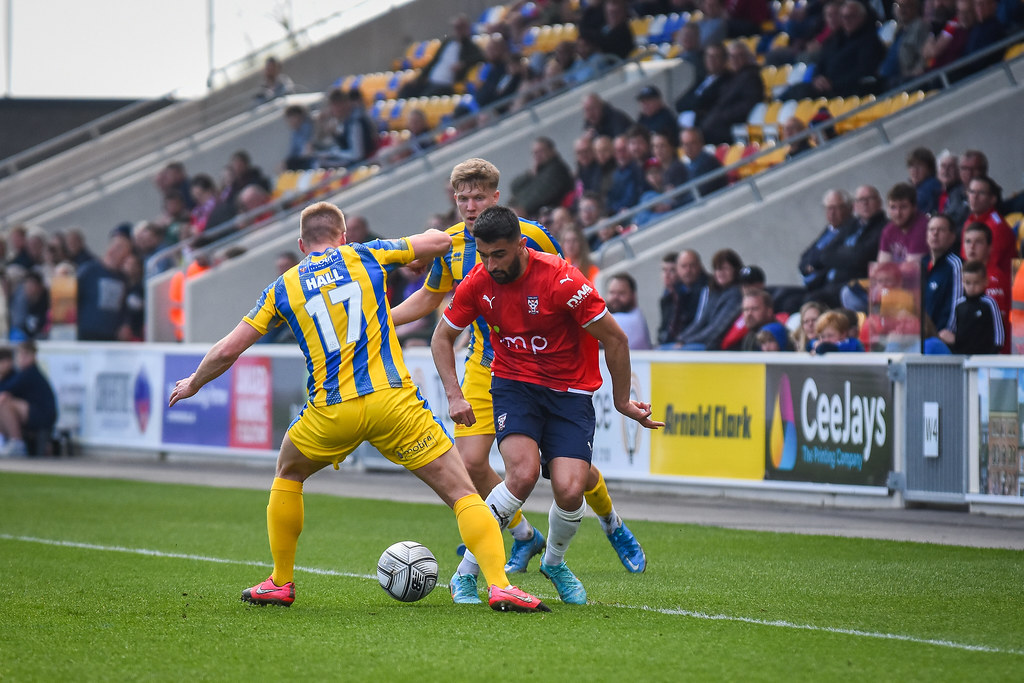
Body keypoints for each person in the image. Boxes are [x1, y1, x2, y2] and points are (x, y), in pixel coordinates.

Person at [167, 201, 549, 613]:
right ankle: (500, 586)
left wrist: (193, 382)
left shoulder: (284, 286)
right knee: (461, 492)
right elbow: (439, 240)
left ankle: (280, 581)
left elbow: (228, 349)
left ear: (301, 244)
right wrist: (430, 248)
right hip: (394, 402)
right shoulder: (365, 254)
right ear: (343, 236)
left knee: (289, 472)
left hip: (332, 411)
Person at [390, 158, 646, 589]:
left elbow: (560, 288)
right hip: (486, 365)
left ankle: (610, 520)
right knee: (475, 465)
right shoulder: (447, 244)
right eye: (462, 198)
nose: (470, 206)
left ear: (495, 197)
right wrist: (377, 321)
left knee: (573, 476)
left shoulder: (530, 236)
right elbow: (429, 300)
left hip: (550, 371)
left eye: (478, 197)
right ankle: (523, 535)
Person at [431, 205, 663, 605]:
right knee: (520, 473)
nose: (490, 265)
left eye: (498, 255)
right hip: (513, 384)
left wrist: (622, 401)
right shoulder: (479, 281)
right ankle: (465, 574)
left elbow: (616, 339)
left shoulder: (561, 280)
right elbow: (441, 337)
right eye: (483, 255)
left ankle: (554, 562)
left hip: (570, 392)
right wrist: (454, 393)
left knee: (570, 489)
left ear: (521, 245)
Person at [399, 15, 484, 98]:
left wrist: (463, 64)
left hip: (445, 84)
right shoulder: (447, 42)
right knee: (407, 89)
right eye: (456, 28)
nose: (457, 31)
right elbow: (434, 60)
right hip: (431, 80)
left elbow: (481, 57)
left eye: (460, 28)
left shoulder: (470, 47)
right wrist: (420, 78)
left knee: (425, 97)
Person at [699, 41, 765, 146]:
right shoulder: (732, 77)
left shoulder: (751, 77)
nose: (735, 60)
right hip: (719, 123)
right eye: (731, 56)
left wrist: (723, 116)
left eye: (739, 56)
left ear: (747, 57)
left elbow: (749, 103)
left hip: (733, 125)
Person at [0, 340, 57, 457]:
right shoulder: (21, 373)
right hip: (35, 413)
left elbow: (7, 388)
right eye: (20, 354)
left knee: (4, 403)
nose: (21, 358)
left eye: (25, 355)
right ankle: (5, 441)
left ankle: (17, 443)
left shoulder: (30, 373)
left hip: (42, 415)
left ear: (33, 356)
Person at [76, 232, 132, 341]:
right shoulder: (89, 270)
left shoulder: (123, 279)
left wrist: (125, 324)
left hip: (111, 336)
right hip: (87, 334)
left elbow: (124, 307)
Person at [962, 221, 1009, 351]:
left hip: (993, 357)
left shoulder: (994, 278)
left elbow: (997, 325)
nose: (972, 247)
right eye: (968, 241)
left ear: (989, 248)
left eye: (978, 242)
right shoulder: (962, 273)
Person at [962, 175, 1015, 283]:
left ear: (992, 199)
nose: (974, 197)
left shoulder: (996, 227)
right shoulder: (971, 220)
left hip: (998, 287)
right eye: (971, 192)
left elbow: (988, 267)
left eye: (981, 193)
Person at [508, 137, 575, 220]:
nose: (537, 155)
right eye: (535, 153)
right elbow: (514, 187)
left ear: (551, 151)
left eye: (541, 151)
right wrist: (530, 173)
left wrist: (521, 208)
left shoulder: (556, 170)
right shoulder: (537, 171)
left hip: (548, 214)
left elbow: (540, 196)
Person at [947, 259, 1004, 353]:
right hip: (962, 357)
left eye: (976, 283)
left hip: (984, 358)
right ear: (962, 283)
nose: (971, 287)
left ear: (985, 282)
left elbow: (999, 333)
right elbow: (951, 329)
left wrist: (993, 352)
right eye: (968, 283)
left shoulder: (989, 303)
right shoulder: (958, 304)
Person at [921, 214, 963, 341]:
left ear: (952, 237)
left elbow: (957, 303)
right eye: (931, 230)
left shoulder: (956, 265)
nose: (935, 234)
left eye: (941, 230)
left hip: (941, 339)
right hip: (921, 339)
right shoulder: (922, 264)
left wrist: (947, 332)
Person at [878, 182, 929, 263]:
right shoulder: (888, 230)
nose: (898, 213)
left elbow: (912, 269)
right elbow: (882, 265)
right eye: (893, 207)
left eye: (903, 207)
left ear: (914, 207)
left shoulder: (923, 227)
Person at [605, 272, 653, 350]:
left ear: (633, 295)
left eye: (621, 293)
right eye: (612, 292)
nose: (615, 297)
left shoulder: (633, 319)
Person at [906, 147, 943, 215]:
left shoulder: (931, 184)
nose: (914, 170)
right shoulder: (915, 189)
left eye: (919, 165)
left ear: (929, 168)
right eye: (911, 166)